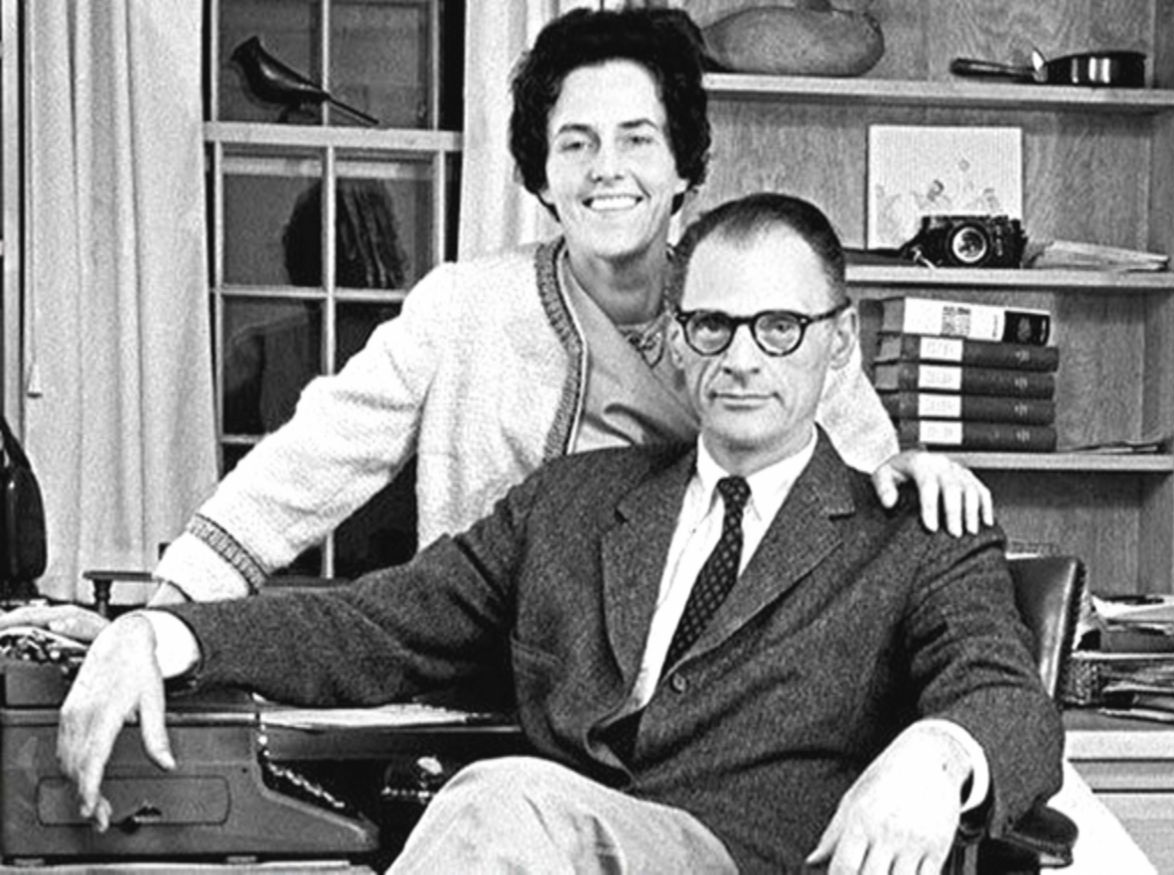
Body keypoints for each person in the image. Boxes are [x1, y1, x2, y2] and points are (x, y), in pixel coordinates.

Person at [58, 193, 1062, 873]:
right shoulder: (572, 503)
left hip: (739, 857)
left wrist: (938, 753)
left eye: (779, 327)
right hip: (549, 849)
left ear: (836, 342)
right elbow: (378, 625)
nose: (742, 358)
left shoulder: (914, 531)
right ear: (675, 340)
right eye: (712, 325)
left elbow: (1009, 700)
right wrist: (167, 631)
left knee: (499, 800)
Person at [4, 7, 989, 637]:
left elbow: (859, 480)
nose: (607, 169)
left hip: (705, 696)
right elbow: (309, 461)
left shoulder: (755, 312)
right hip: (495, 681)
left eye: (637, 139)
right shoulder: (464, 307)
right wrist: (167, 611)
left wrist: (911, 475)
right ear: (541, 174)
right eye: (575, 143)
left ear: (684, 166)